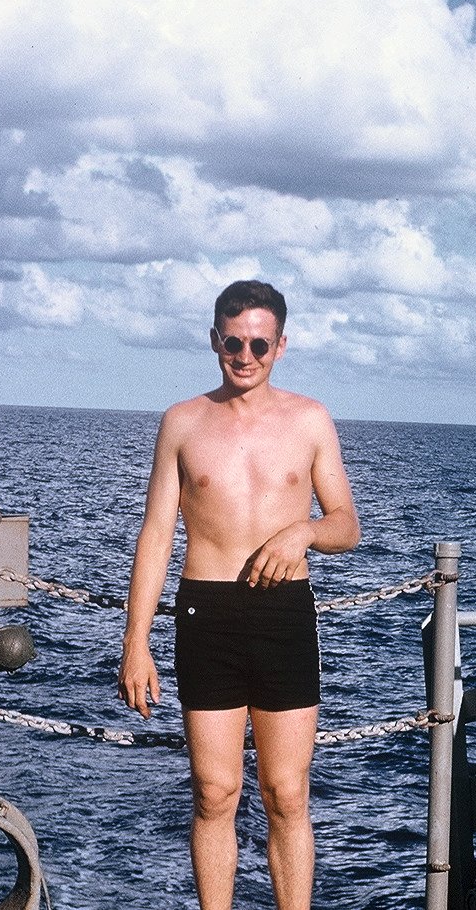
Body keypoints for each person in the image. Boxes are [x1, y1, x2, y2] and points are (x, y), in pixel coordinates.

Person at [118, 279, 361, 910]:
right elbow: (156, 534)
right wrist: (136, 642)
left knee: (287, 794)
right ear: (214, 341)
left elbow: (346, 525)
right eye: (233, 342)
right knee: (214, 793)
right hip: (207, 615)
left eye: (259, 344)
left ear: (281, 345)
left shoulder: (310, 419)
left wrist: (304, 532)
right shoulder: (182, 422)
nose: (245, 356)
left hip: (283, 615)